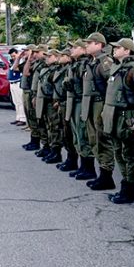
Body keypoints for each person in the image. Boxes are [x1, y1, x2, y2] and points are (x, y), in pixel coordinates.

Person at [102, 38, 134, 204]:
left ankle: (130, 188)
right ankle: (125, 185)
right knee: (118, 153)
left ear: (128, 51)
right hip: (113, 116)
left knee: (129, 154)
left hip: (126, 117)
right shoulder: (117, 68)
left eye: (119, 47)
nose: (115, 50)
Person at [81, 32, 115, 190]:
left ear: (99, 44)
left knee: (102, 140)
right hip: (90, 104)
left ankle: (107, 175)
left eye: (90, 42)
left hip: (100, 104)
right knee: (94, 139)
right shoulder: (92, 62)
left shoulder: (105, 62)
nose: (86, 45)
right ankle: (101, 173)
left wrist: (107, 109)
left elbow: (112, 86)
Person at [62, 39, 96, 179]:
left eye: (75, 47)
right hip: (74, 101)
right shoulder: (75, 64)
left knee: (83, 134)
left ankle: (89, 168)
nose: (71, 50)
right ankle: (83, 166)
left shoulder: (86, 64)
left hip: (82, 101)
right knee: (77, 135)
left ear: (83, 49)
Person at [8, 48, 26, 126]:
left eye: (14, 56)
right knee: (16, 102)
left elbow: (17, 69)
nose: (13, 58)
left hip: (18, 82)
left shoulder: (20, 61)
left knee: (20, 101)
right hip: (12, 83)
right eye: (12, 56)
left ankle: (23, 118)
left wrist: (17, 59)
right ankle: (18, 117)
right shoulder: (12, 62)